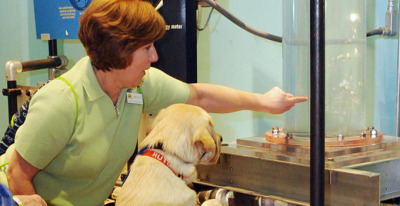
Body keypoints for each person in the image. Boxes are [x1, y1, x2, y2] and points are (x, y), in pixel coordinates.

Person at [0, 0, 307, 205]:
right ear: (118, 49)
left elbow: (199, 96)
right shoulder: (63, 102)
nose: (155, 56)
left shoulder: (140, 85)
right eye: (147, 47)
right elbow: (17, 175)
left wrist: (265, 102)